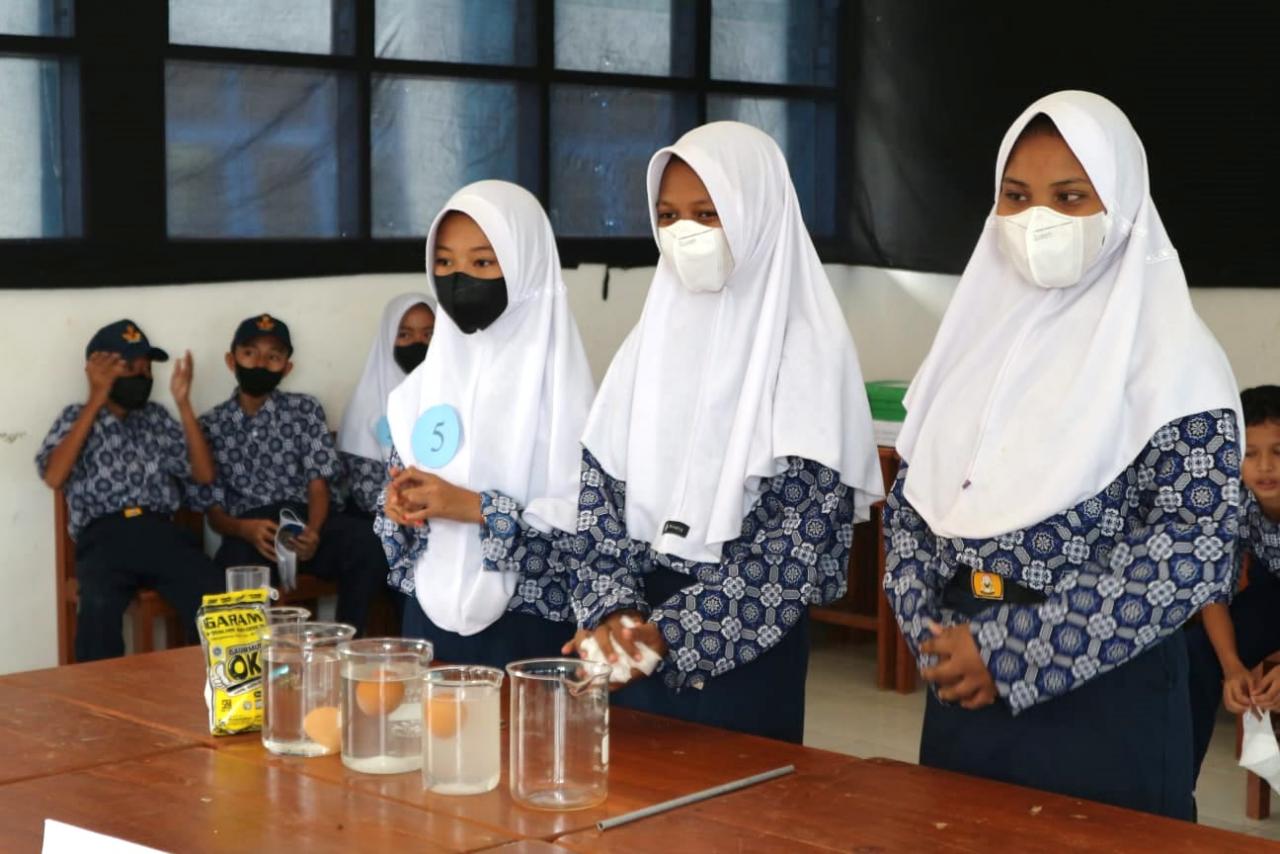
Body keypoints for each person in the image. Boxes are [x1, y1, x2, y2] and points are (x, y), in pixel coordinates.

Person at [883, 91, 1242, 820]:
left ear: (1122, 205)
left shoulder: (1176, 363)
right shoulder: (971, 346)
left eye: (1070, 197)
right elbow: (913, 506)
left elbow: (1191, 551)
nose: (1037, 218)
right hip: (962, 674)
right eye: (1016, 196)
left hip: (1105, 694)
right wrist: (932, 631)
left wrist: (1013, 653)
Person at [561, 121, 884, 743]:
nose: (685, 232)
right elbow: (597, 500)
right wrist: (614, 613)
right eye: (669, 214)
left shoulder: (809, 357)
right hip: (625, 641)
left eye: (708, 213)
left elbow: (795, 549)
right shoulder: (644, 347)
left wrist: (663, 637)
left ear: (756, 212)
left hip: (741, 652)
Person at [377, 180, 595, 667]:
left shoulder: (567, 399)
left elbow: (591, 535)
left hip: (530, 628)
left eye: (482, 262)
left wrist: (477, 509)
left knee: (521, 743)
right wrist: (398, 503)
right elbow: (399, 491)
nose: (459, 279)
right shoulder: (417, 391)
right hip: (428, 618)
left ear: (526, 267)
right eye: (445, 263)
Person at [36, 320, 221, 661]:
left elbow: (204, 475)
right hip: (104, 537)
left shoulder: (157, 417)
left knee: (214, 596)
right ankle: (99, 707)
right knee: (99, 606)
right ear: (97, 369)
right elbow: (54, 476)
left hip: (159, 532)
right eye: (130, 368)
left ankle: (220, 695)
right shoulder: (75, 417)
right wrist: (96, 399)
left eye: (147, 369)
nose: (142, 376)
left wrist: (183, 404)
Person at [191, 313, 388, 633]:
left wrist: (313, 531)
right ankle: (251, 668)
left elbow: (318, 483)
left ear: (287, 367)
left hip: (307, 520)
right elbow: (213, 512)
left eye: (273, 357)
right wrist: (243, 529)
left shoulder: (304, 409)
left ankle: (346, 646)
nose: (260, 363)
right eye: (249, 353)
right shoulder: (211, 425)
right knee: (230, 573)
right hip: (252, 531)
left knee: (369, 542)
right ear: (232, 360)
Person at [1187, 385, 1280, 782]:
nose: (1264, 467)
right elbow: (1213, 591)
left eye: (1278, 452)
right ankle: (1176, 786)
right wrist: (1232, 668)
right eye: (1249, 454)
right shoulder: (1231, 501)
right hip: (1272, 588)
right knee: (1195, 652)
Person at [337, 293, 435, 519]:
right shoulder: (367, 403)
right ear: (387, 337)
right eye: (404, 334)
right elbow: (365, 490)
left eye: (429, 334)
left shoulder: (459, 394)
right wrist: (407, 508)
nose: (418, 342)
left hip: (450, 515)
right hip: (387, 520)